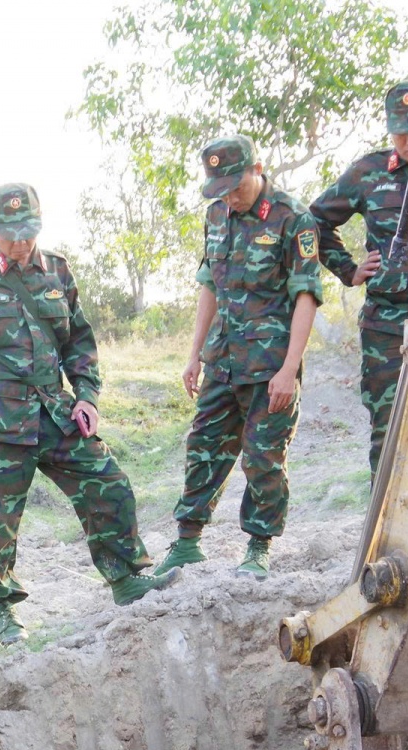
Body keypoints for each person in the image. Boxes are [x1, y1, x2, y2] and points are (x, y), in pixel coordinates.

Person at [0, 184, 173, 645]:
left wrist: (86, 396)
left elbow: (79, 342)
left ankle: (126, 579)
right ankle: (5, 611)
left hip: (54, 410)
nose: (20, 241)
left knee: (107, 482)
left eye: (28, 230)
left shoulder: (58, 272)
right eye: (9, 232)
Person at [156, 138, 323, 581]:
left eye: (237, 186)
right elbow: (209, 286)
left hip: (270, 366)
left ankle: (258, 546)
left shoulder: (292, 218)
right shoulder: (216, 216)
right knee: (203, 447)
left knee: (263, 458)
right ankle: (187, 543)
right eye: (221, 189)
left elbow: (306, 296)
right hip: (222, 360)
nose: (230, 197)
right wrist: (194, 354)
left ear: (257, 169)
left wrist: (289, 369)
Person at [312, 81, 408, 473]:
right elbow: (314, 221)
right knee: (388, 432)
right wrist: (348, 270)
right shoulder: (369, 172)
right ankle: (384, 511)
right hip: (386, 325)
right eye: (402, 132)